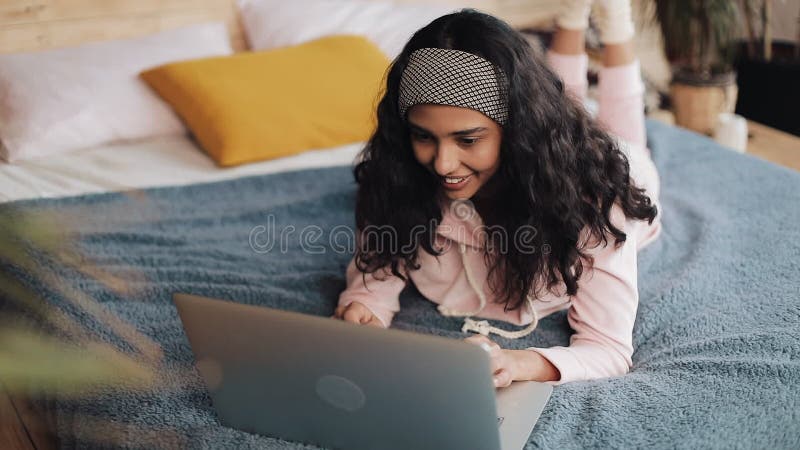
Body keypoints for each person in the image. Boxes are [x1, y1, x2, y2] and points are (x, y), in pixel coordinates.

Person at [332, 0, 663, 387]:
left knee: (625, 140)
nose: (442, 164)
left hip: (619, 169)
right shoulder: (399, 177)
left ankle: (613, 23)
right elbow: (377, 278)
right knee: (569, 103)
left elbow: (607, 348)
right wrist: (364, 309)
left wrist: (520, 364)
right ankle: (572, 17)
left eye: (468, 139)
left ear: (519, 133)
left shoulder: (599, 202)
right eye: (424, 136)